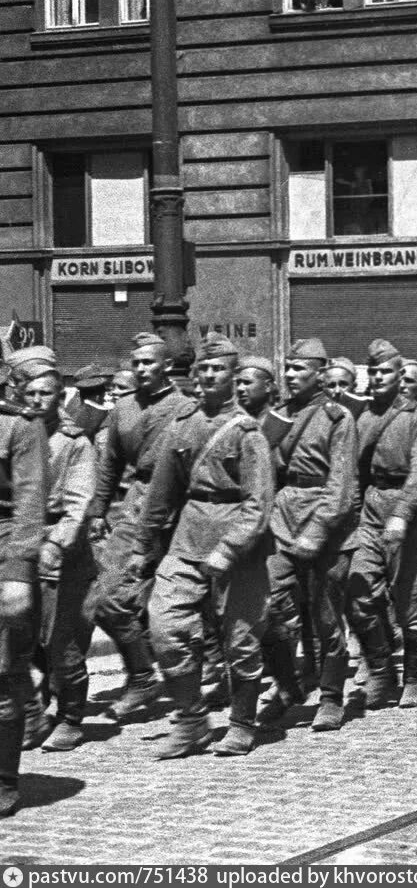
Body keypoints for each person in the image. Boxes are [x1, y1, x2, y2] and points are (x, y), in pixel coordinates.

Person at [131, 333, 274, 758]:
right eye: (204, 369)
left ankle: (244, 723)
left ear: (233, 378)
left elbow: (258, 503)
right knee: (166, 626)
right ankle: (191, 719)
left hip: (239, 548)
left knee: (240, 640)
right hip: (188, 538)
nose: (209, 376)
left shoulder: (249, 434)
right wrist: (144, 546)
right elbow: (160, 495)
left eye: (219, 370)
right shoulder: (183, 425)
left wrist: (228, 549)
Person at [85, 332, 199, 722]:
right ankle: (142, 676)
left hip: (180, 509)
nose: (141, 369)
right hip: (136, 507)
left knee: (189, 602)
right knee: (103, 602)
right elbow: (110, 465)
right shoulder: (124, 409)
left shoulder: (187, 408)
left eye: (149, 362)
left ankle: (200, 681)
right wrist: (99, 510)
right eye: (136, 363)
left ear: (167, 365)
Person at [257, 338, 359, 732]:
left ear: (320, 372)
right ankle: (287, 685)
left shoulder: (338, 418)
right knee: (265, 606)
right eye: (287, 368)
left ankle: (332, 697)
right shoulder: (278, 415)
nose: (290, 375)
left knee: (327, 618)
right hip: (283, 517)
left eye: (299, 369)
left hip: (328, 525)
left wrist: (317, 531)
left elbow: (342, 484)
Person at [11, 348, 96, 753]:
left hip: (62, 551)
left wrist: (55, 543)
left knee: (61, 641)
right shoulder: (13, 436)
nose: (38, 399)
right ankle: (32, 712)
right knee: (17, 639)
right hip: (19, 544)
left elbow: (79, 504)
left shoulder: (74, 444)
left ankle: (72, 717)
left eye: (47, 392)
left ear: (59, 395)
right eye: (31, 392)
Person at [346, 339, 417, 708]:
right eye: (374, 372)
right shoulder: (363, 416)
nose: (379, 377)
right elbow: (353, 472)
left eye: (386, 371)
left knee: (410, 600)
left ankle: (414, 677)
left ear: (401, 377)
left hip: (410, 514)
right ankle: (381, 670)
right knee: (357, 591)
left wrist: (401, 514)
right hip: (371, 509)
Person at [0, 374, 46, 816]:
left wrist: (17, 571)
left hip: (2, 551)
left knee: (1, 675)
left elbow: (30, 503)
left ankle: (4, 782)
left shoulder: (19, 427)